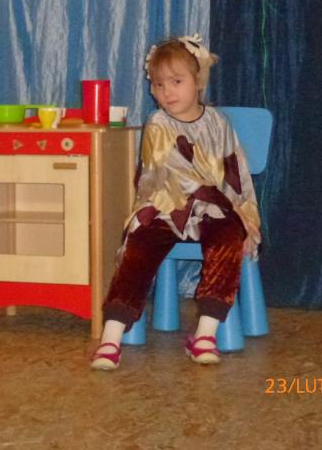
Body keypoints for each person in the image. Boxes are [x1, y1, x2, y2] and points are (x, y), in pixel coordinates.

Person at [90, 34, 261, 370]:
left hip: (214, 208)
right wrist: (206, 196)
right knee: (140, 246)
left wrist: (245, 216)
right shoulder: (158, 123)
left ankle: (205, 333)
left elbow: (235, 173)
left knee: (228, 237)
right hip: (165, 207)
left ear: (198, 81)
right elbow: (166, 175)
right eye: (158, 84)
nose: (166, 92)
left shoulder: (218, 123)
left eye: (176, 81)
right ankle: (112, 336)